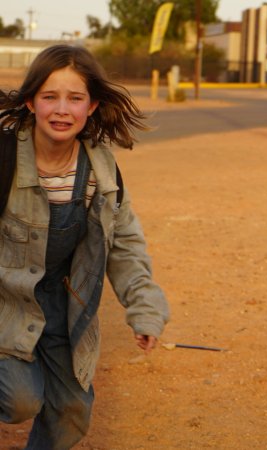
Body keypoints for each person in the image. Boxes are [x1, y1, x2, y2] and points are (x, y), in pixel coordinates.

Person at [0, 44, 170, 449]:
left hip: (64, 307)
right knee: (21, 398)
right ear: (30, 102)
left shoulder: (101, 172)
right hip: (5, 301)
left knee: (71, 416)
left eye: (75, 98)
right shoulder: (4, 159)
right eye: (49, 97)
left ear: (91, 105)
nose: (62, 110)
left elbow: (125, 243)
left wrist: (144, 307)